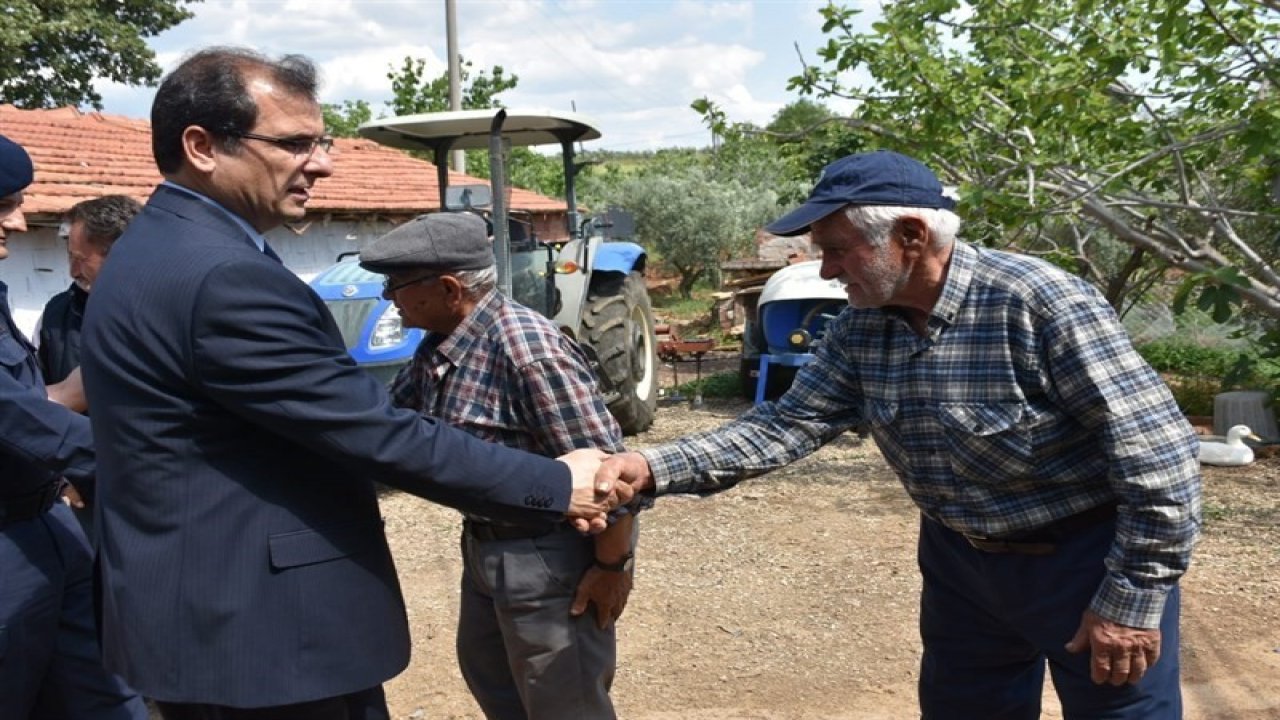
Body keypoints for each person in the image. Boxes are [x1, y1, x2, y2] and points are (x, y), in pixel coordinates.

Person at [79, 47, 627, 720]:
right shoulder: (225, 277)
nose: (323, 161)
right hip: (265, 640)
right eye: (294, 143)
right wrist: (555, 484)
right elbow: (374, 432)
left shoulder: (147, 250)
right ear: (202, 146)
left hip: (204, 618)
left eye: (323, 141)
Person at [599, 150, 1202, 719]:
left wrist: (1132, 600)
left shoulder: (1039, 304)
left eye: (838, 250)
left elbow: (1160, 459)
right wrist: (652, 467)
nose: (827, 270)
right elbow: (787, 424)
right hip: (960, 563)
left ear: (911, 237)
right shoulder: (863, 326)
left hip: (1082, 559)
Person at [362, 212, 638, 720]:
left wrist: (610, 567)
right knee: (498, 688)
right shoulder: (439, 347)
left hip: (548, 560)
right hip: (486, 550)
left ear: (448, 288)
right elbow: (387, 428)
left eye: (395, 285)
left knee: (564, 702)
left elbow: (612, 479)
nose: (388, 297)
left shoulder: (527, 351)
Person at [0, 134, 148, 719]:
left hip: (47, 523)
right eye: (5, 205)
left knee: (107, 695)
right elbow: (12, 411)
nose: (17, 221)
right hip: (11, 544)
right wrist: (135, 465)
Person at [37, 194, 142, 383]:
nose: (73, 272)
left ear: (123, 254)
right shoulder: (57, 313)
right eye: (71, 257)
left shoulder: (174, 312)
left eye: (82, 260)